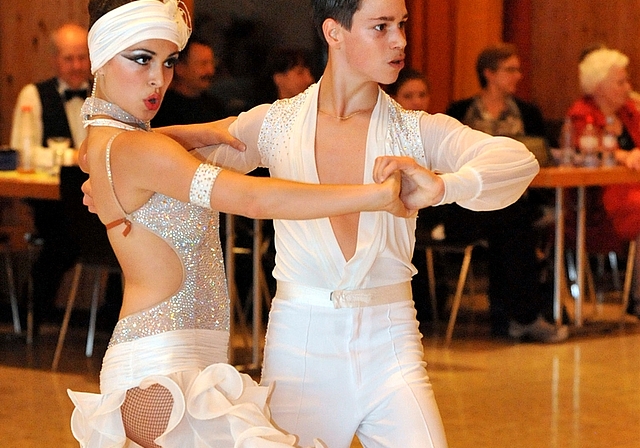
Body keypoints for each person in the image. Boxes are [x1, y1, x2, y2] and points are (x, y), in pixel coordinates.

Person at [67, 1, 410, 447]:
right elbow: (251, 197)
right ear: (101, 59)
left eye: (168, 62)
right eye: (140, 59)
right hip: (162, 369)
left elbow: (108, 151)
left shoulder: (106, 141)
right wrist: (375, 196)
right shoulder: (141, 152)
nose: (158, 79)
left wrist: (189, 133)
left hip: (176, 359)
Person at [201, 0, 539, 446]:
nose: (398, 40)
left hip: (392, 344)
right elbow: (179, 163)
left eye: (400, 25)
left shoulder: (414, 130)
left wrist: (443, 187)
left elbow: (518, 162)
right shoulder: (276, 124)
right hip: (300, 347)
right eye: (380, 27)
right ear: (334, 32)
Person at [443, 43, 567, 342]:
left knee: (511, 216)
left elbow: (542, 157)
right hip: (467, 204)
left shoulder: (528, 112)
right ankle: (523, 317)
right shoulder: (460, 112)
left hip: (516, 202)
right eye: (511, 69)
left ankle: (514, 316)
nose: (518, 75)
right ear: (489, 74)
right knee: (511, 221)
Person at [10, 23, 92, 334]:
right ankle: (32, 320)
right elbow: (25, 153)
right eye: (69, 58)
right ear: (55, 60)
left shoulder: (103, 96)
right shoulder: (34, 95)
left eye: (82, 58)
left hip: (98, 199)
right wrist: (73, 157)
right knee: (62, 241)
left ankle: (114, 323)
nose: (76, 66)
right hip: (54, 202)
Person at [567, 47, 640, 316]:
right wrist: (621, 154)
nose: (628, 87)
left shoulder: (631, 111)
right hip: (599, 199)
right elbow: (585, 151)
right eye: (620, 82)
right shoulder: (581, 113)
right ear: (599, 86)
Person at [150, 36, 227, 127]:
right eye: (203, 64)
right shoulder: (162, 109)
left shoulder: (215, 107)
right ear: (180, 68)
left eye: (211, 63)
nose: (210, 70)